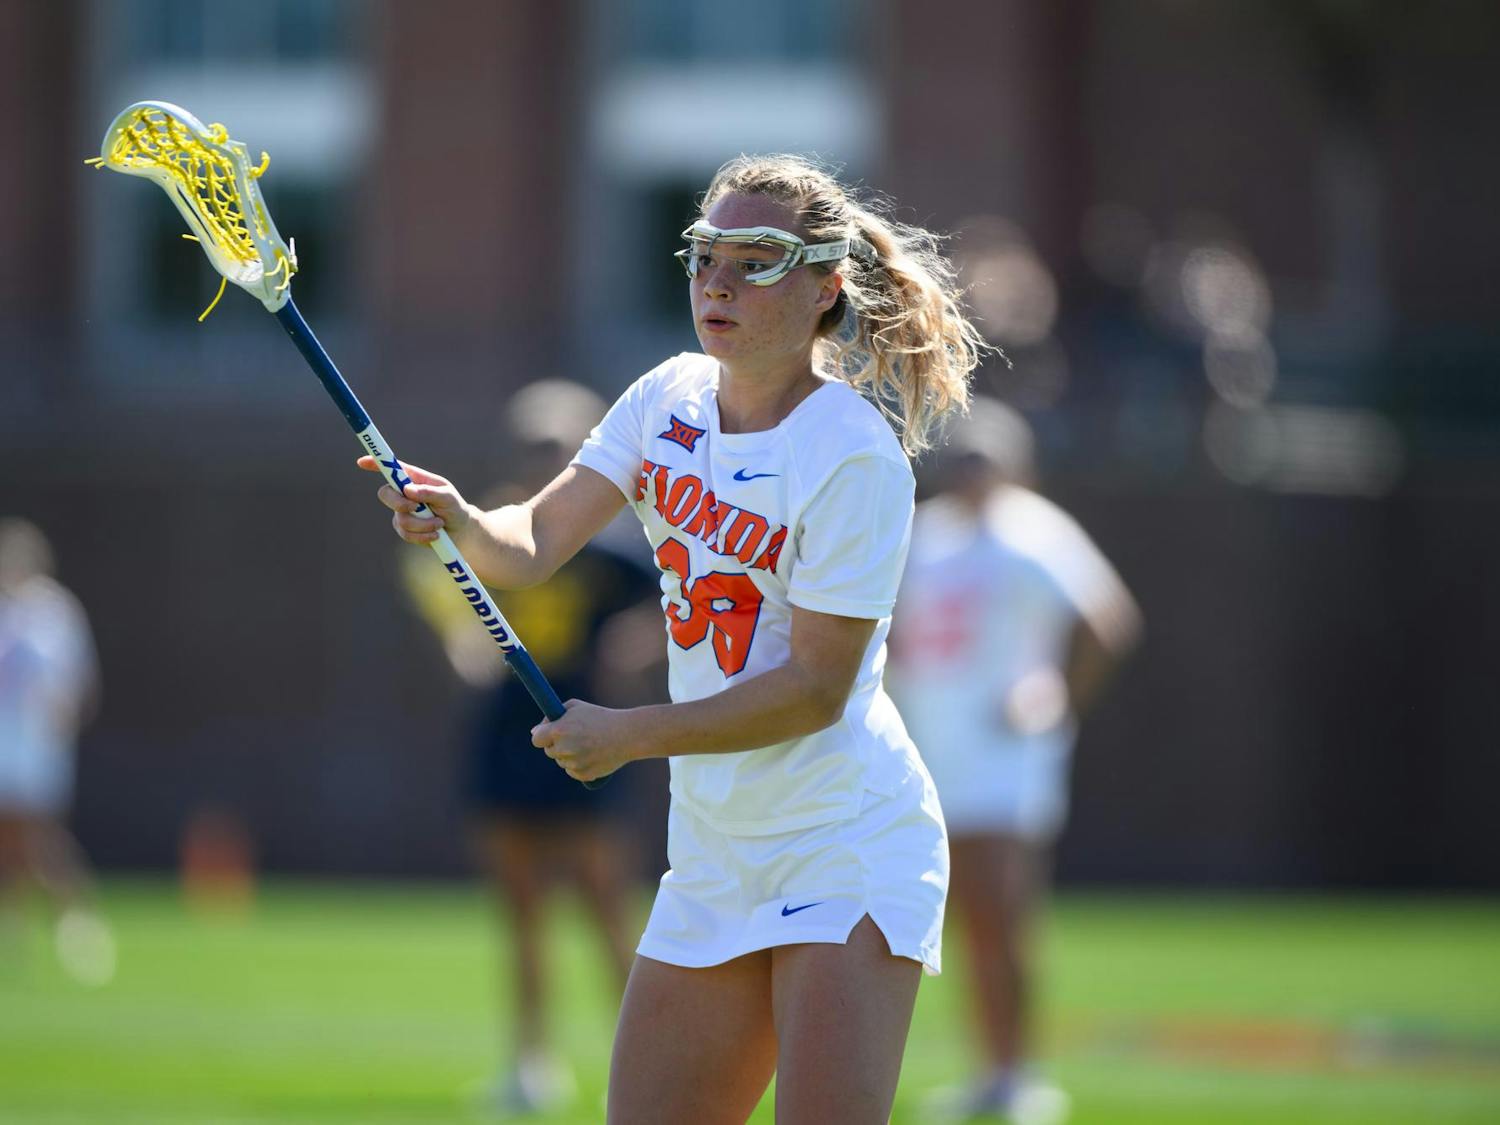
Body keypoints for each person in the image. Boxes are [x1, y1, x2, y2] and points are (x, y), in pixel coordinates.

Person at [360, 154, 986, 1123]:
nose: (717, 282)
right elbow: (531, 545)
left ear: (826, 286)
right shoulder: (668, 398)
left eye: (756, 259)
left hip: (846, 845)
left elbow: (817, 687)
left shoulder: (853, 456)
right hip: (714, 850)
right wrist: (460, 521)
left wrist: (631, 733)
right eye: (703, 256)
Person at [397, 379, 663, 1114]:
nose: (539, 459)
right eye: (530, 446)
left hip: (590, 729)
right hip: (507, 730)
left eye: (556, 447)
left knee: (608, 902)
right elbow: (445, 599)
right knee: (519, 907)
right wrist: (458, 643)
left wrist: (631, 645)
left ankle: (644, 1058)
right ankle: (530, 1060)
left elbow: (676, 604)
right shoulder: (487, 532)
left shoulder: (611, 541)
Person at [886, 398, 1143, 1124]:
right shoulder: (928, 536)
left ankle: (1020, 1071)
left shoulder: (1035, 531)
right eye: (960, 456)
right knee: (962, 914)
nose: (969, 470)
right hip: (932, 747)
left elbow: (1107, 622)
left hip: (1003, 754)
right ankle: (989, 1068)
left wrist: (1057, 691)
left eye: (983, 457)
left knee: (1003, 907)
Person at [0, 518, 114, 986]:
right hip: (5, 742)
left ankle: (78, 921)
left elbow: (76, 685)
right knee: (10, 846)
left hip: (35, 747)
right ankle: (17, 934)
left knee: (36, 840)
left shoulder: (54, 613)